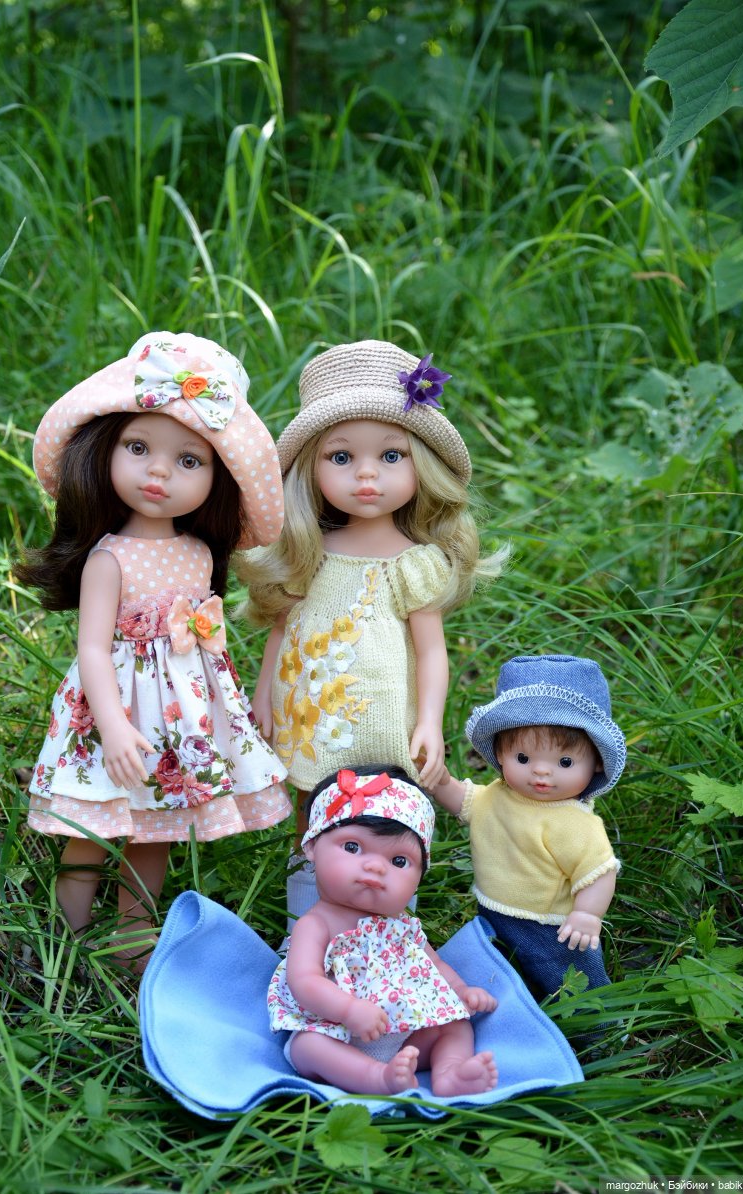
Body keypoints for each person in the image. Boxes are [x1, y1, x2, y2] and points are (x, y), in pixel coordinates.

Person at [17, 332, 291, 968]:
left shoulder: (198, 554)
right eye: (138, 448)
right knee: (90, 827)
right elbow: (93, 649)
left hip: (181, 716)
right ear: (104, 452)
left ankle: (132, 938)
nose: (159, 472)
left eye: (189, 460)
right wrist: (112, 726)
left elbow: (202, 639)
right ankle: (66, 937)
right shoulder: (109, 558)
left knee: (156, 832)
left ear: (218, 481)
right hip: (113, 709)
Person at [238, 339, 507, 922]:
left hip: (383, 721)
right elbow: (283, 630)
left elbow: (430, 653)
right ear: (310, 469)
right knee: (313, 817)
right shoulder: (306, 553)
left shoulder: (413, 561)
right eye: (341, 457)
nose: (366, 474)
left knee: (386, 817)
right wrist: (262, 696)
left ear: (421, 466)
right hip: (310, 717)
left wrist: (429, 721)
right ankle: (305, 927)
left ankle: (386, 928)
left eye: (390, 456)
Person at [267, 766, 498, 1096]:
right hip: (337, 1031)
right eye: (352, 847)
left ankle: (450, 1073)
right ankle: (377, 1078)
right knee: (307, 1047)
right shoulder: (315, 924)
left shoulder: (403, 926)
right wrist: (348, 1010)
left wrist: (460, 991)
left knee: (455, 1024)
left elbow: (435, 965)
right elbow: (304, 980)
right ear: (312, 847)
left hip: (406, 1033)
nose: (375, 867)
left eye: (399, 861)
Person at [432, 654, 626, 998]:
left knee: (570, 982)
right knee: (496, 968)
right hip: (492, 910)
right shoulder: (495, 796)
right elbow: (461, 799)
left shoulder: (575, 824)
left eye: (564, 761)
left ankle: (598, 1025)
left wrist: (586, 913)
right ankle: (509, 1008)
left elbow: (599, 872)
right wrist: (439, 780)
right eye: (523, 758)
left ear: (596, 762)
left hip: (551, 926)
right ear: (500, 754)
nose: (541, 771)